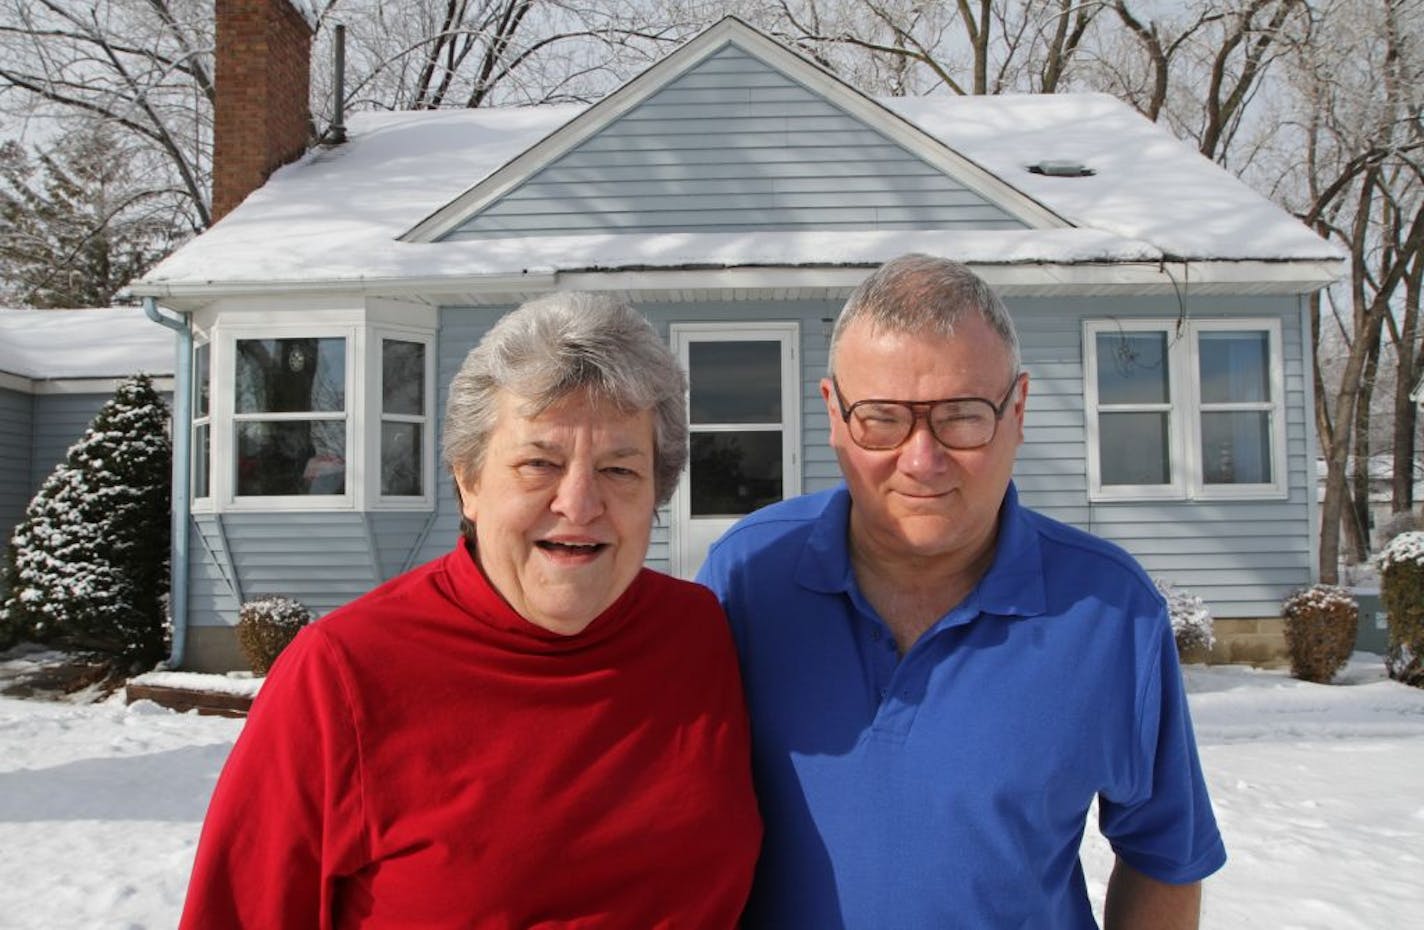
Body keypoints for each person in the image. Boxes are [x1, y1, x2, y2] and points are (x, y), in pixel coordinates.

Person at [180, 293, 762, 929]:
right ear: (469, 481)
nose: (579, 502)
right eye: (539, 463)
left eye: (619, 469)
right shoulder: (342, 675)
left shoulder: (699, 636)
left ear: (658, 488)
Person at [696, 254, 1225, 929]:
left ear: (1019, 409)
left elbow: (1166, 854)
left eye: (963, 415)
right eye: (882, 417)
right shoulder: (746, 579)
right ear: (834, 412)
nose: (922, 459)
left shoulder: (1110, 611)